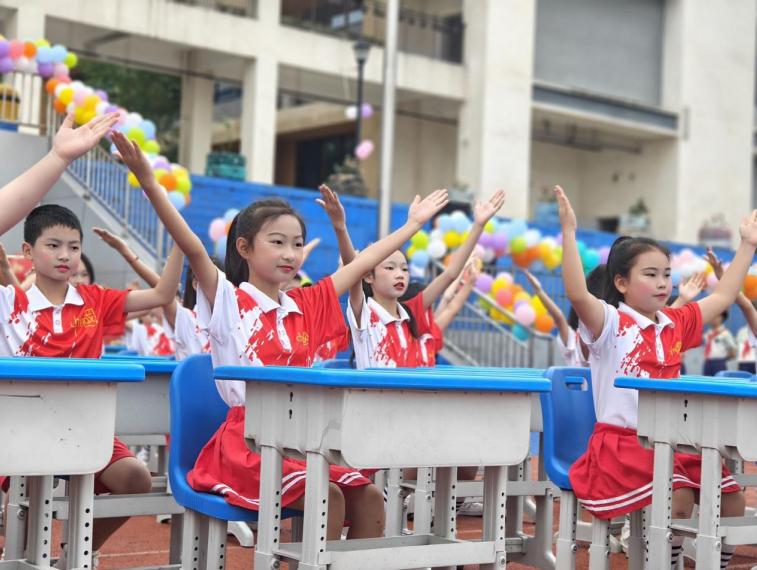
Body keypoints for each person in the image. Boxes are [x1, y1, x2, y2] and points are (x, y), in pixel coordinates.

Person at [113, 129, 450, 540]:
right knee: (329, 496)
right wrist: (150, 183)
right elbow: (194, 248)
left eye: (297, 244)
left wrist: (412, 225)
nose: (290, 254)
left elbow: (364, 264)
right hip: (247, 445)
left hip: (301, 442)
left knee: (369, 496)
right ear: (244, 248)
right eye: (277, 242)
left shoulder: (306, 303)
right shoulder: (229, 301)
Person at [555, 184, 749, 569]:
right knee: (678, 495)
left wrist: (747, 245)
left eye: (666, 274)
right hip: (622, 444)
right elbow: (577, 294)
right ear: (621, 283)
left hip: (676, 441)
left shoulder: (675, 322)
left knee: (732, 500)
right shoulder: (610, 323)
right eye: (650, 274)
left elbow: (723, 297)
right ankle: (666, 562)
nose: (663, 282)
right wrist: (569, 232)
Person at [0, 203, 183, 563]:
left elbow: (162, 295)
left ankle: (77, 552)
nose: (65, 255)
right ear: (27, 252)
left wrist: (181, 242)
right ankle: (15, 552)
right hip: (25, 429)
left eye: (73, 247)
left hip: (84, 426)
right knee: (25, 503)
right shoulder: (11, 304)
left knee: (136, 478)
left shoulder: (96, 301)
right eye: (53, 245)